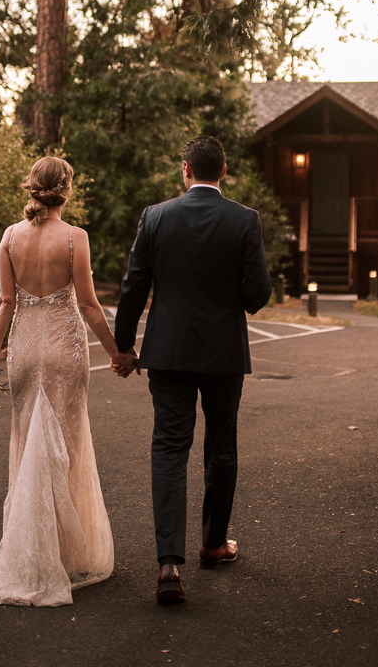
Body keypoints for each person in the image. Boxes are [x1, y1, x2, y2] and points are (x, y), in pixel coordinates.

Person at [0, 156, 137, 606]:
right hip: (64, 348)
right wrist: (117, 352)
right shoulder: (74, 238)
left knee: (30, 445)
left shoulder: (9, 237)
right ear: (67, 189)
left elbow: (6, 302)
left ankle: (34, 552)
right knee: (67, 444)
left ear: (32, 188)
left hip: (25, 348)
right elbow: (87, 304)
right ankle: (60, 554)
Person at [114, 135, 273, 605]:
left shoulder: (155, 216)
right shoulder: (245, 220)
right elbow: (258, 295)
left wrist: (125, 346)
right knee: (221, 445)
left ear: (186, 170)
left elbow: (133, 286)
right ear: (222, 171)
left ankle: (168, 564)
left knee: (169, 447)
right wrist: (233, 299)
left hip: (167, 351)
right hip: (223, 353)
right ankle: (213, 543)